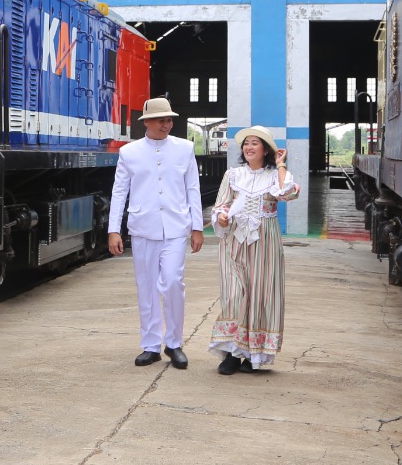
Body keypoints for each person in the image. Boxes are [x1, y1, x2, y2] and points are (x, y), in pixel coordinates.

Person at [108, 97, 204, 369]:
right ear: (147, 122)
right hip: (143, 227)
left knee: (173, 282)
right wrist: (113, 230)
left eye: (170, 119)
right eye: (161, 119)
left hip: (175, 227)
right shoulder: (129, 152)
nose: (167, 124)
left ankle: (174, 343)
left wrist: (197, 227)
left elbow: (192, 189)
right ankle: (150, 346)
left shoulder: (185, 149)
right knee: (146, 287)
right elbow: (119, 192)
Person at [208, 127, 299, 374]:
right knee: (235, 295)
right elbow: (220, 205)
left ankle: (251, 356)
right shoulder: (233, 174)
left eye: (254, 143)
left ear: (266, 150)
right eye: (246, 143)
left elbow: (288, 193)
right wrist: (222, 216)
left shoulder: (274, 175)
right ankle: (231, 353)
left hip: (265, 242)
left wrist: (281, 164)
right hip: (234, 242)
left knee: (261, 297)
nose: (248, 147)